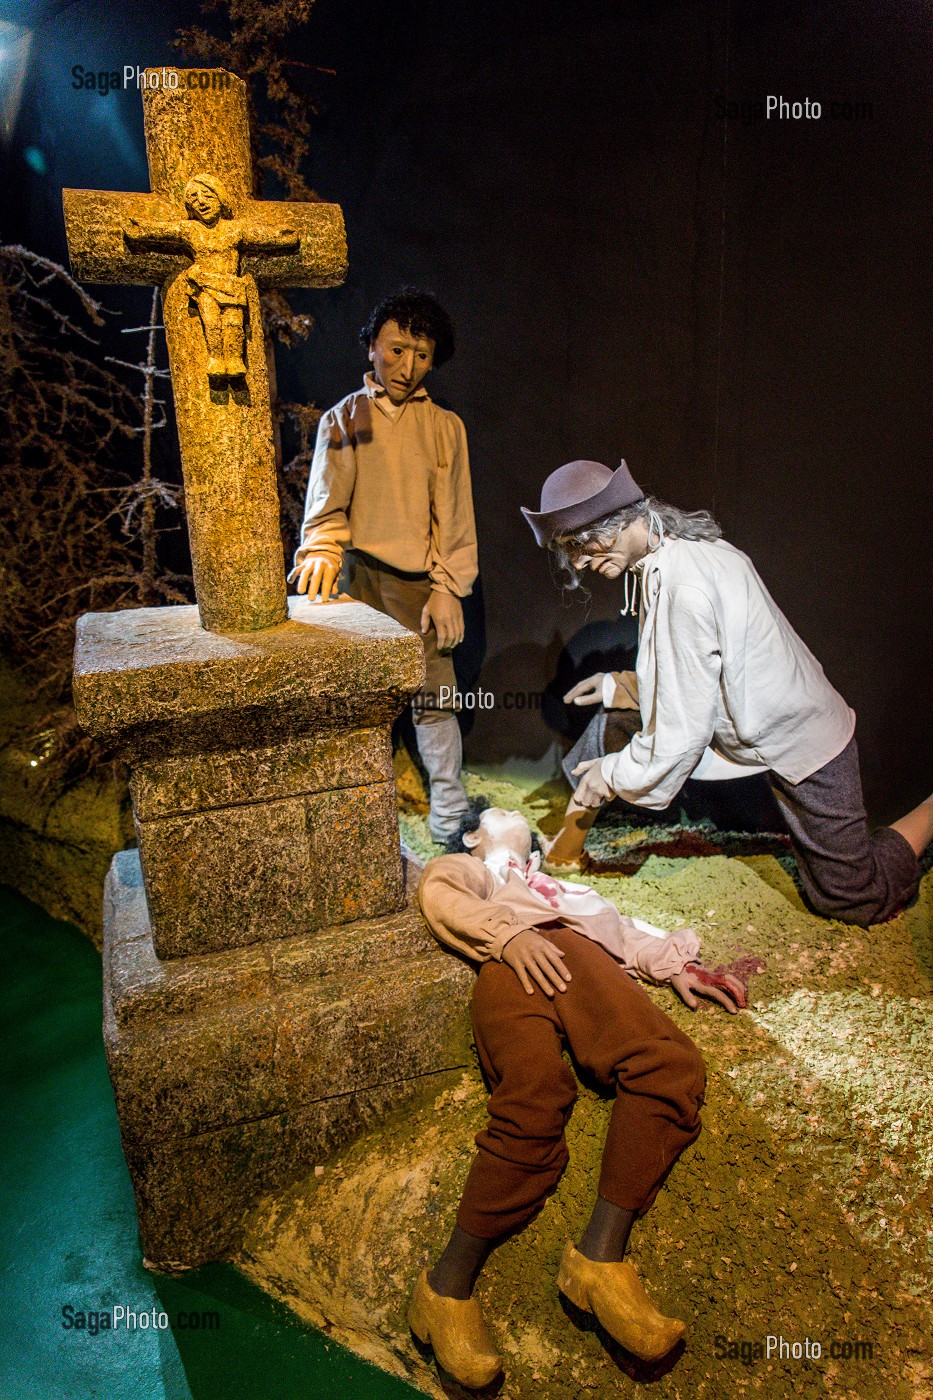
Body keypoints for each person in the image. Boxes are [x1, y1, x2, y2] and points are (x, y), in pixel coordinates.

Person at [409, 804, 744, 1389]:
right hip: (507, 965)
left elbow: (625, 934)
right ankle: (445, 1289)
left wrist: (678, 966)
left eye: (516, 815)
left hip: (574, 958)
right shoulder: (475, 869)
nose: (509, 812)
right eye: (493, 812)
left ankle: (599, 1260)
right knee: (532, 1100)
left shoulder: (569, 891)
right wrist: (507, 935)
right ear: (471, 835)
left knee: (668, 1064)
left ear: (539, 854)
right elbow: (439, 894)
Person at [521, 459, 932, 924]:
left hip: (804, 741)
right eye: (568, 551)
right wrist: (622, 687)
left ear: (619, 520)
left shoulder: (684, 586)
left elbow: (682, 733)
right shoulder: (674, 555)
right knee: (611, 725)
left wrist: (612, 775)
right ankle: (566, 853)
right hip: (742, 719)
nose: (579, 562)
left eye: (579, 544)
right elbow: (709, 669)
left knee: (852, 897)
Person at [290, 289, 477, 841]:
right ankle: (352, 822)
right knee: (353, 704)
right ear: (372, 346)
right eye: (396, 349)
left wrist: (448, 586)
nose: (407, 366)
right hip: (357, 580)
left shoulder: (445, 427)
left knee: (436, 699)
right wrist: (322, 550)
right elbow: (325, 507)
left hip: (418, 585)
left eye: (421, 354)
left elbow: (455, 516)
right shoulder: (345, 419)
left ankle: (448, 816)